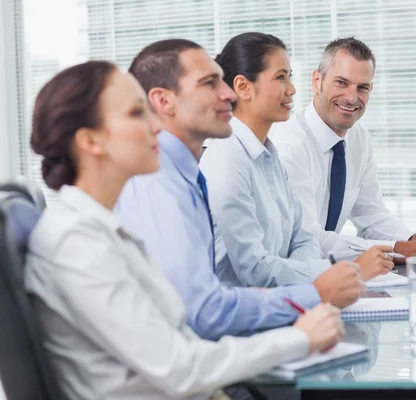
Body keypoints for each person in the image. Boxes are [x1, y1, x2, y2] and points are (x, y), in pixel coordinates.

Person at [25, 60, 344, 400]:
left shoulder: (104, 228)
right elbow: (178, 368)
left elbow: (178, 337)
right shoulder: (76, 241)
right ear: (91, 141)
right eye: (137, 114)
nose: (157, 127)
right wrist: (299, 338)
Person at [115, 39, 363, 340]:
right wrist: (313, 291)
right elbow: (207, 312)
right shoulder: (164, 183)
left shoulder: (197, 171)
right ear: (164, 101)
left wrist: (304, 288)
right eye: (210, 83)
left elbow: (303, 236)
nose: (226, 93)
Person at [200, 32, 394, 289]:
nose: (292, 89)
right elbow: (255, 270)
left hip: (284, 301)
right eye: (281, 77)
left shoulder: (269, 156)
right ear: (243, 87)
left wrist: (312, 276)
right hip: (246, 316)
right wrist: (348, 271)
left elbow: (303, 239)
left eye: (289, 77)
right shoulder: (227, 160)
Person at [270, 37, 416, 262]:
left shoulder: (359, 139)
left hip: (329, 276)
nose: (351, 97)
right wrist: (403, 249)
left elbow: (372, 217)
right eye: (341, 82)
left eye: (362, 88)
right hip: (287, 277)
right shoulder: (289, 146)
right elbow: (309, 239)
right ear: (317, 81)